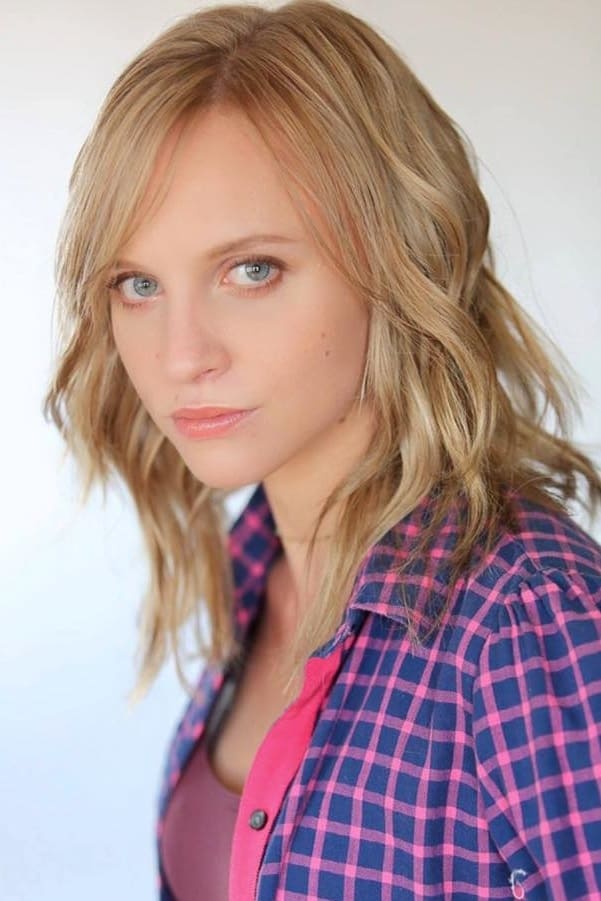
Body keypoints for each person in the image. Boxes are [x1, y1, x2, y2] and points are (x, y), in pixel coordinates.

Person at [43, 1, 601, 898]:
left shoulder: (527, 624)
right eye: (137, 283)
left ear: (398, 258)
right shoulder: (257, 577)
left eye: (251, 270)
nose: (181, 356)